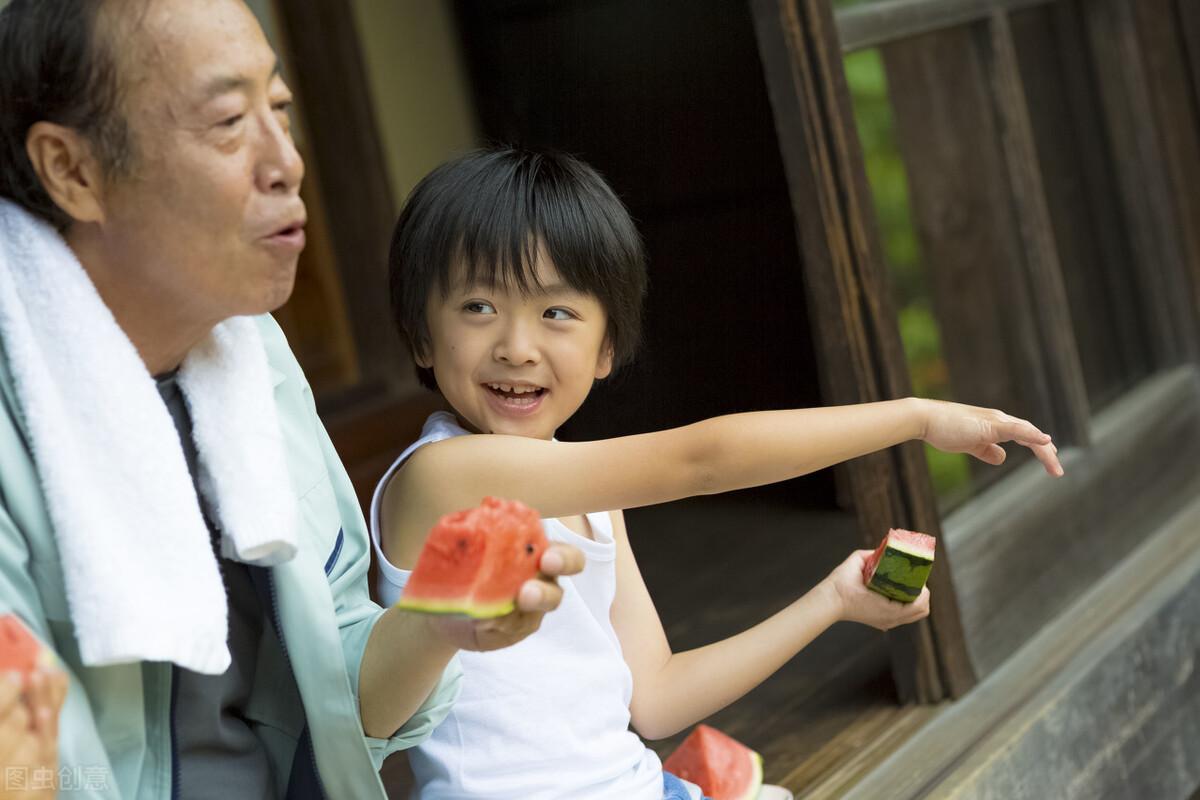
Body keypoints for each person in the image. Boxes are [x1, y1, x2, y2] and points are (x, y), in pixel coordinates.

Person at [0, 2, 584, 798]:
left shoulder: (252, 353)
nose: (287, 161)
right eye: (231, 120)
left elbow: (339, 679)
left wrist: (437, 628)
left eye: (281, 109)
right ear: (73, 171)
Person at [375, 147, 1065, 800]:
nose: (517, 348)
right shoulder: (442, 477)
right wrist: (915, 418)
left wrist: (832, 601)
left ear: (608, 345)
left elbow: (658, 696)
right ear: (420, 333)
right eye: (478, 307)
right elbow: (701, 461)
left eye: (556, 312)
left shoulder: (595, 504)